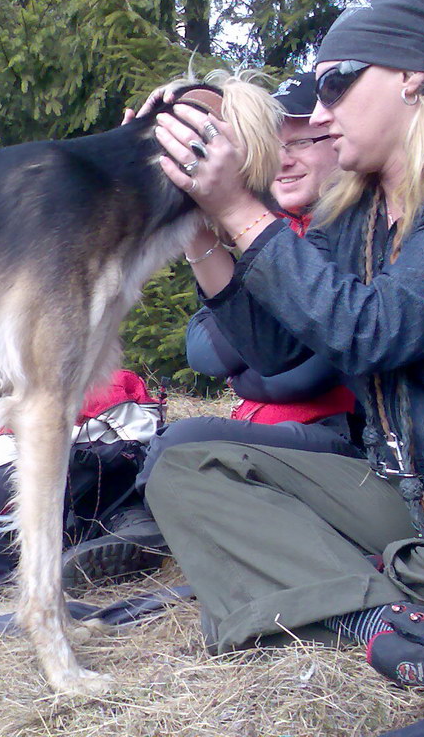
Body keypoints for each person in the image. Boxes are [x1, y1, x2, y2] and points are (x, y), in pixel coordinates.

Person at [142, 0, 424, 709]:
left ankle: (351, 595)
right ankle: (408, 622)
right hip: (417, 498)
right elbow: (272, 349)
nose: (323, 109)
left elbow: (374, 333)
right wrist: (203, 222)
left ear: (411, 79)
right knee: (188, 469)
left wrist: (242, 211)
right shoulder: (360, 210)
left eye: (336, 84)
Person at [135, 72, 359, 496]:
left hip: (339, 438)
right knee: (162, 444)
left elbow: (298, 378)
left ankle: (145, 530)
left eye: (300, 142)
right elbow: (201, 350)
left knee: (182, 441)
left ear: (337, 140)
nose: (284, 159)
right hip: (271, 429)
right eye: (274, 146)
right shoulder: (272, 230)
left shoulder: (350, 229)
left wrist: (245, 373)